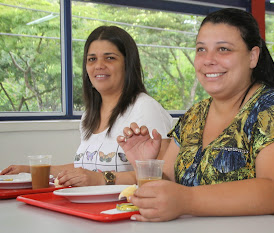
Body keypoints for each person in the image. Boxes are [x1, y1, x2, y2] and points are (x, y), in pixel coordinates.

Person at [115, 8, 274, 222]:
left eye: (223, 49)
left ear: (253, 56)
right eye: (201, 49)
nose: (208, 60)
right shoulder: (195, 115)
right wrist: (146, 167)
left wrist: (186, 200)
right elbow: (171, 185)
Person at [0, 26, 173, 187]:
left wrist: (101, 179)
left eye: (110, 58)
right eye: (92, 59)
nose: (99, 65)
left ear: (128, 64)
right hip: (88, 211)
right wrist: (31, 170)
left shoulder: (146, 108)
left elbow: (164, 177)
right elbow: (84, 169)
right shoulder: (88, 116)